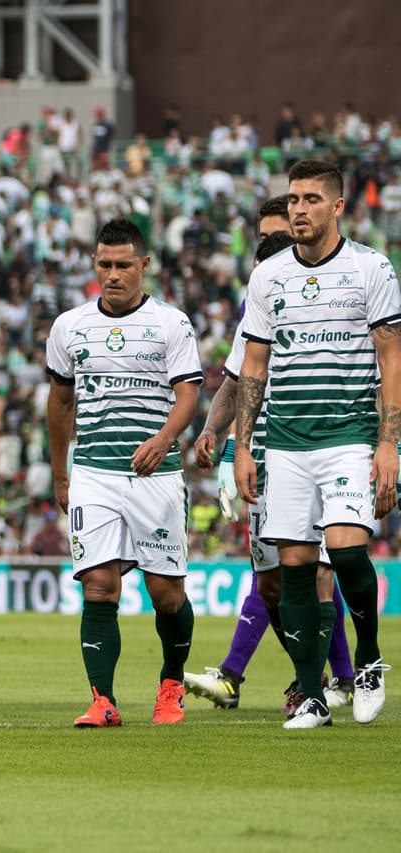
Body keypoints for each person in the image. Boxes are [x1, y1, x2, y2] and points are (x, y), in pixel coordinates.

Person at [233, 158, 399, 728]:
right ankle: (311, 695)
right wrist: (242, 448)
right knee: (296, 563)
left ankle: (371, 658)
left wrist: (388, 444)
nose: (299, 209)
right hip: (284, 442)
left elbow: (391, 358)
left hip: (349, 435)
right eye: (293, 198)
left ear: (336, 206)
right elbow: (253, 366)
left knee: (347, 549)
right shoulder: (268, 276)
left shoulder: (370, 268)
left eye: (310, 199)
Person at [186, 208, 355, 713]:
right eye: (262, 239)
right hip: (264, 456)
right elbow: (234, 384)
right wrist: (219, 438)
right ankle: (336, 677)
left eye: (273, 238)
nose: (267, 246)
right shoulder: (256, 307)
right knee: (277, 578)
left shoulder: (340, 293)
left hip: (321, 449)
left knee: (318, 569)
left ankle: (323, 677)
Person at [46, 218, 202, 728]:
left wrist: (163, 439)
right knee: (98, 585)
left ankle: (171, 684)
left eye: (122, 265)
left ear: (144, 265)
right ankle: (103, 700)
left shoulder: (171, 324)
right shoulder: (70, 326)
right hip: (93, 471)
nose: (112, 275)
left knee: (166, 594)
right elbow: (60, 401)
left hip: (154, 478)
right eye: (103, 265)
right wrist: (60, 473)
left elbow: (188, 394)